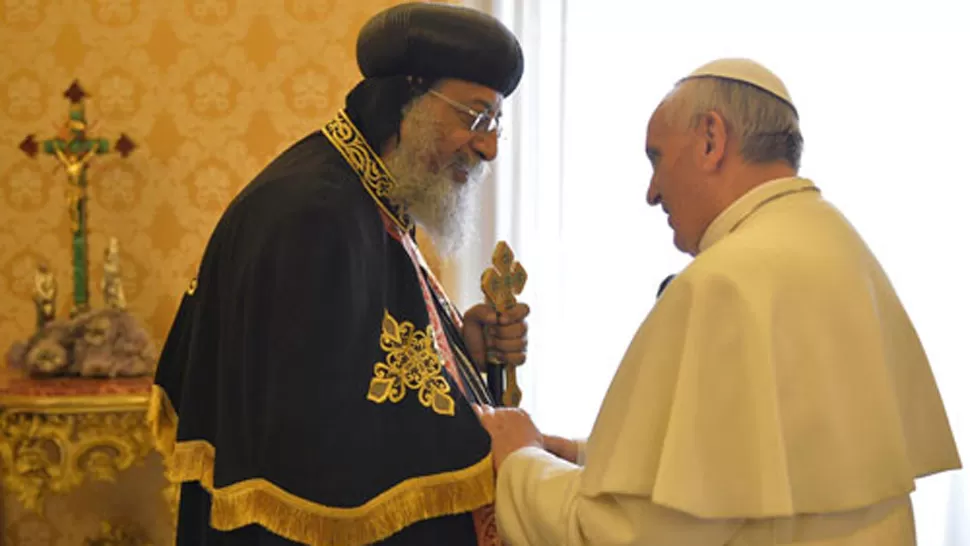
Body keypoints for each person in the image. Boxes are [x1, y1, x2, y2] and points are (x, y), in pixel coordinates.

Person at [476, 58, 962, 545]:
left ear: (710, 140)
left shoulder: (724, 281)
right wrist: (589, 456)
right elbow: (755, 466)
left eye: (657, 157)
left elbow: (628, 537)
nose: (651, 192)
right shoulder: (841, 248)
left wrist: (521, 461)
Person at [147, 3, 529, 545]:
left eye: (495, 123)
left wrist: (461, 351)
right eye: (474, 116)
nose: (488, 146)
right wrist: (489, 438)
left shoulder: (371, 187)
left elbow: (364, 355)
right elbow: (316, 438)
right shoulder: (314, 212)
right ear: (409, 97)